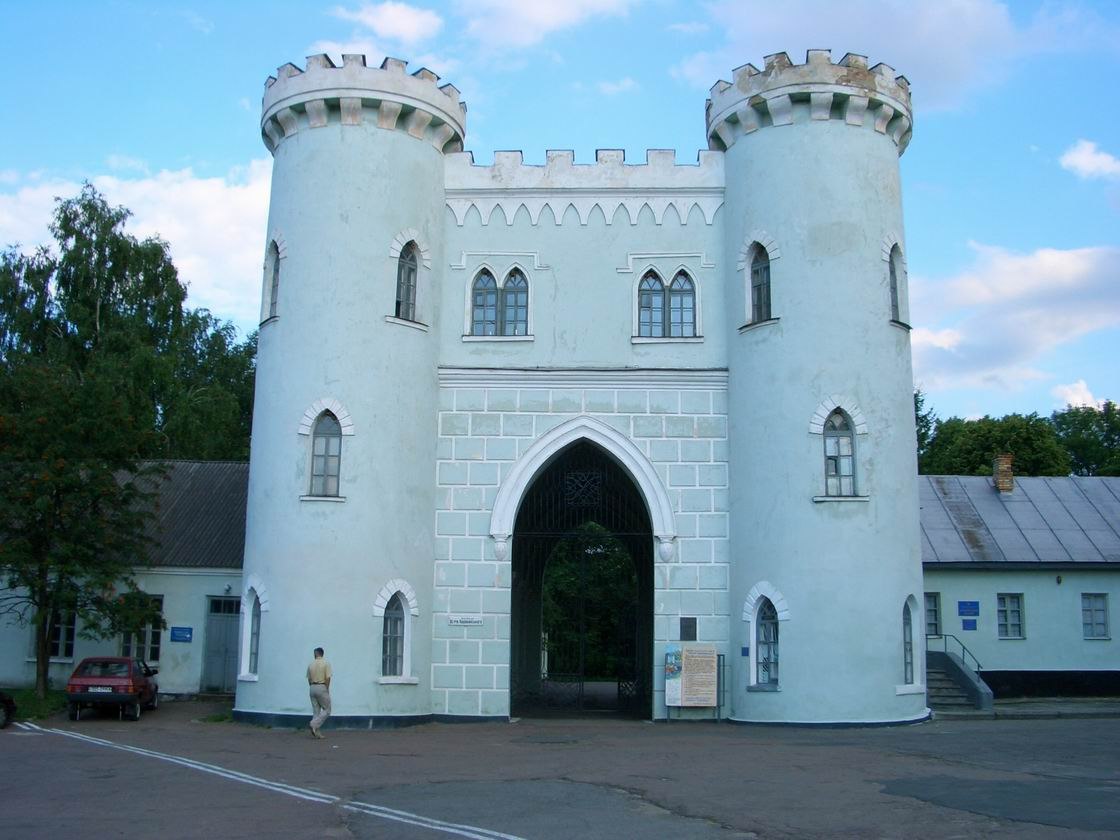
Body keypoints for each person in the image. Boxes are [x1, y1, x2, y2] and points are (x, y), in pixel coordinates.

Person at [306, 646, 331, 738]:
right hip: (321, 686)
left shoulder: (310, 664)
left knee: (316, 711)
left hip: (312, 687)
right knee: (327, 709)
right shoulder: (326, 663)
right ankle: (313, 724)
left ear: (316, 654)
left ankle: (317, 732)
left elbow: (309, 679)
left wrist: (312, 686)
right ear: (322, 654)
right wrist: (326, 689)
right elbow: (328, 678)